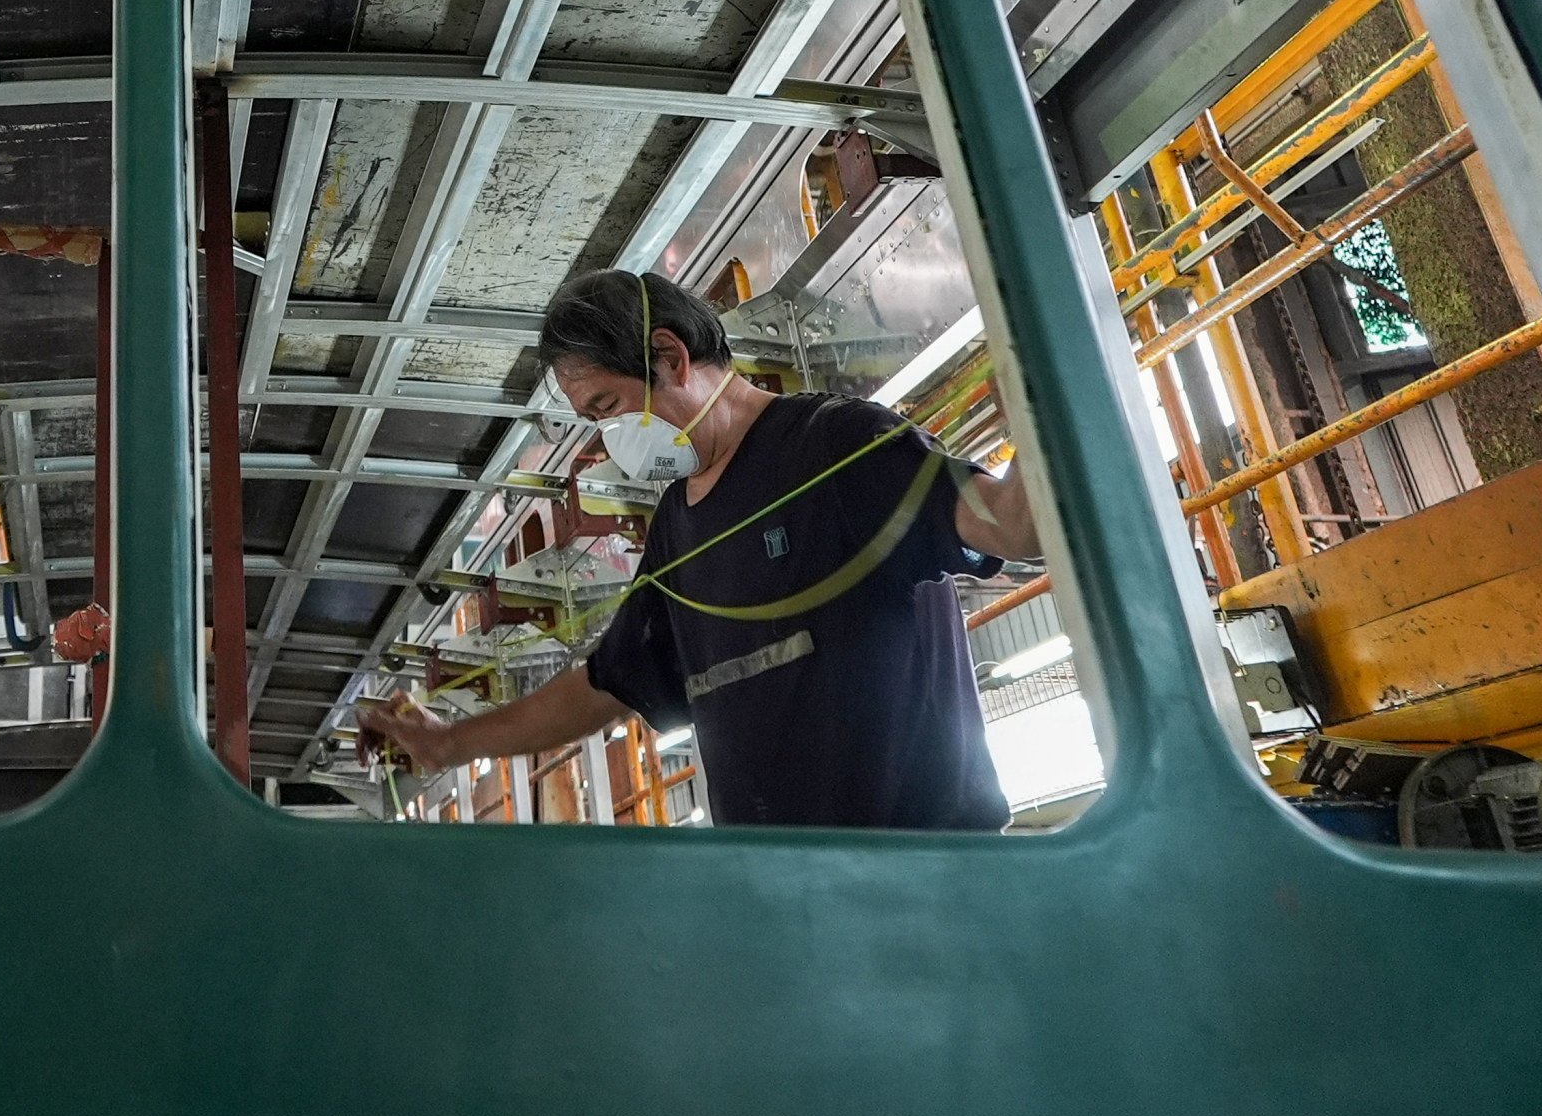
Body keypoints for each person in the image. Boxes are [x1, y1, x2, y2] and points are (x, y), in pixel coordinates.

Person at [356, 269, 1042, 831]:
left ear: (669, 356)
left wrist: (1038, 418)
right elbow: (608, 684)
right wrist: (444, 744)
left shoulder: (836, 445)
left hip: (929, 869)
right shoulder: (676, 528)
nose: (605, 438)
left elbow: (1010, 530)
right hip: (774, 891)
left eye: (607, 406)